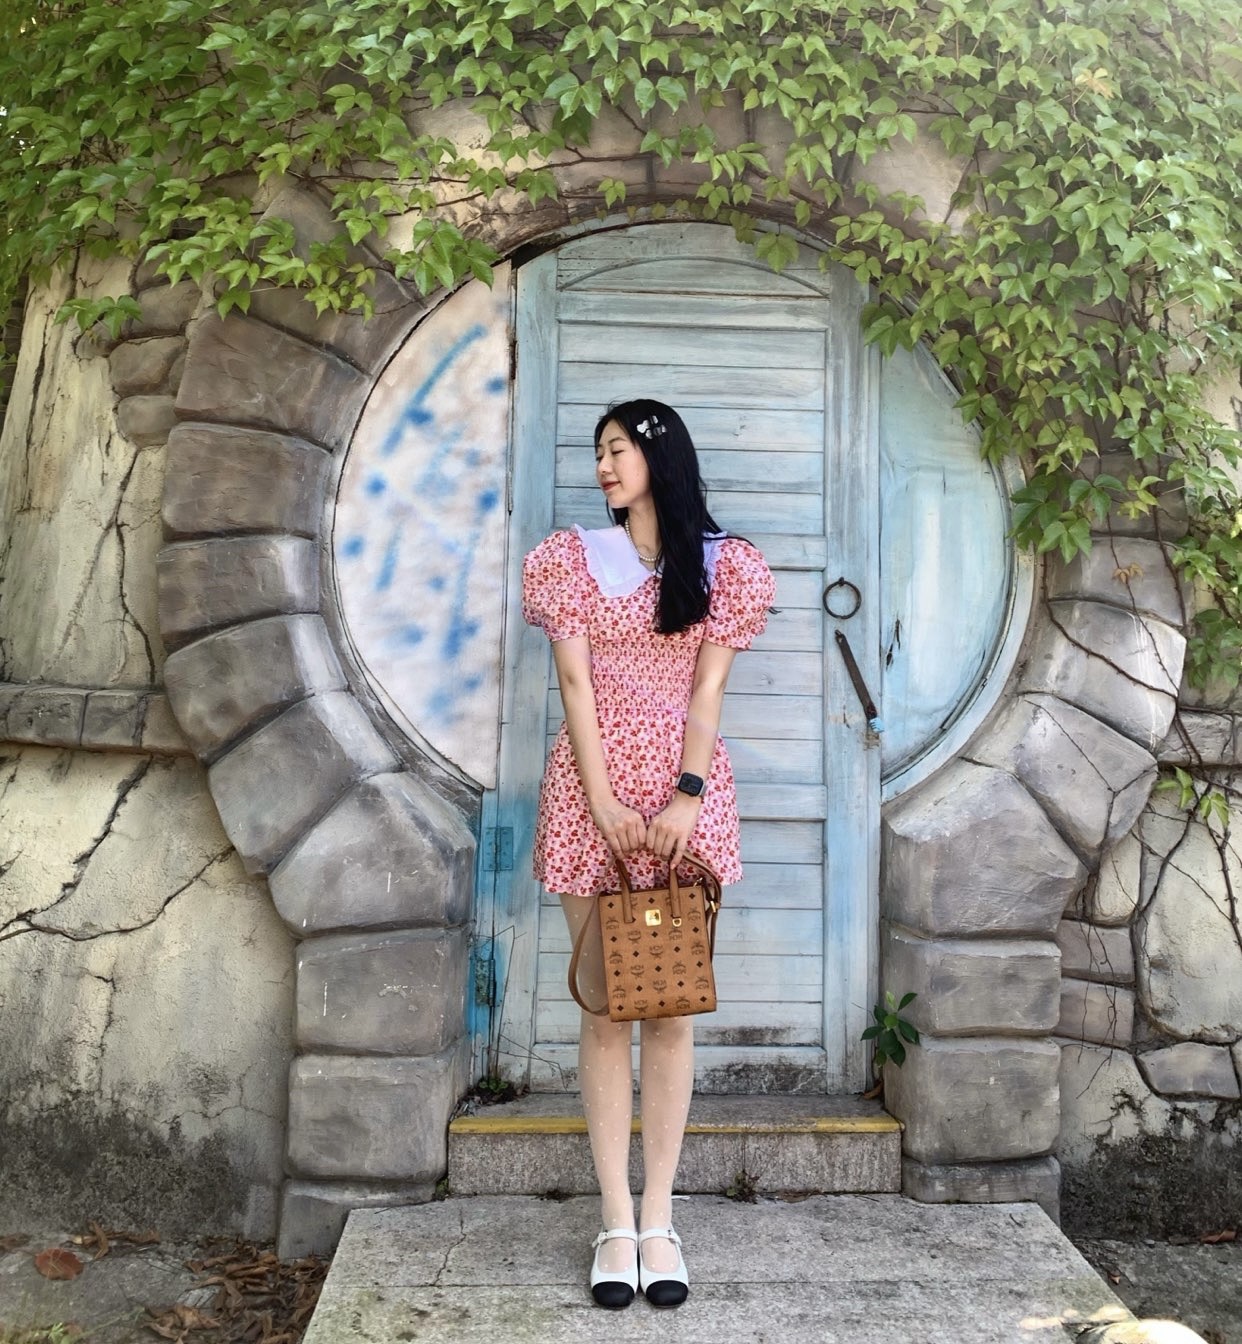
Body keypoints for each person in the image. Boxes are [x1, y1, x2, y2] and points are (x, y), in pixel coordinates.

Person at [521, 398, 775, 1310]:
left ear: (659, 458)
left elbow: (709, 691)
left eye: (618, 449)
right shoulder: (571, 560)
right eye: (598, 452)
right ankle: (615, 1221)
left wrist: (685, 798)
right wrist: (602, 802)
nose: (603, 466)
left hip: (683, 805)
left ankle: (661, 1221)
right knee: (604, 1007)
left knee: (669, 1008)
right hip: (589, 796)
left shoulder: (725, 566)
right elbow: (575, 682)